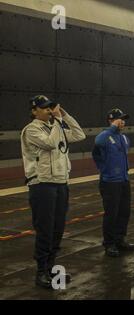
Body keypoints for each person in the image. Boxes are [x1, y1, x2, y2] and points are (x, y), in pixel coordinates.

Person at [21, 95, 86, 288]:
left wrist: (64, 115)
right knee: (45, 230)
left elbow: (79, 134)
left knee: (58, 228)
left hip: (60, 183)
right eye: (44, 108)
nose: (49, 111)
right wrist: (58, 121)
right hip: (42, 184)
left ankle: (51, 268)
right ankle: (41, 271)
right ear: (34, 111)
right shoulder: (32, 129)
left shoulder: (56, 126)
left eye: (51, 108)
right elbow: (49, 143)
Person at [92, 108, 134, 258]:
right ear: (111, 120)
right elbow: (98, 142)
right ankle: (109, 243)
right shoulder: (105, 135)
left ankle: (120, 239)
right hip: (110, 182)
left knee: (124, 212)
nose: (122, 122)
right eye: (119, 119)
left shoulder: (123, 138)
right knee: (111, 213)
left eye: (124, 119)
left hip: (123, 180)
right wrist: (112, 128)